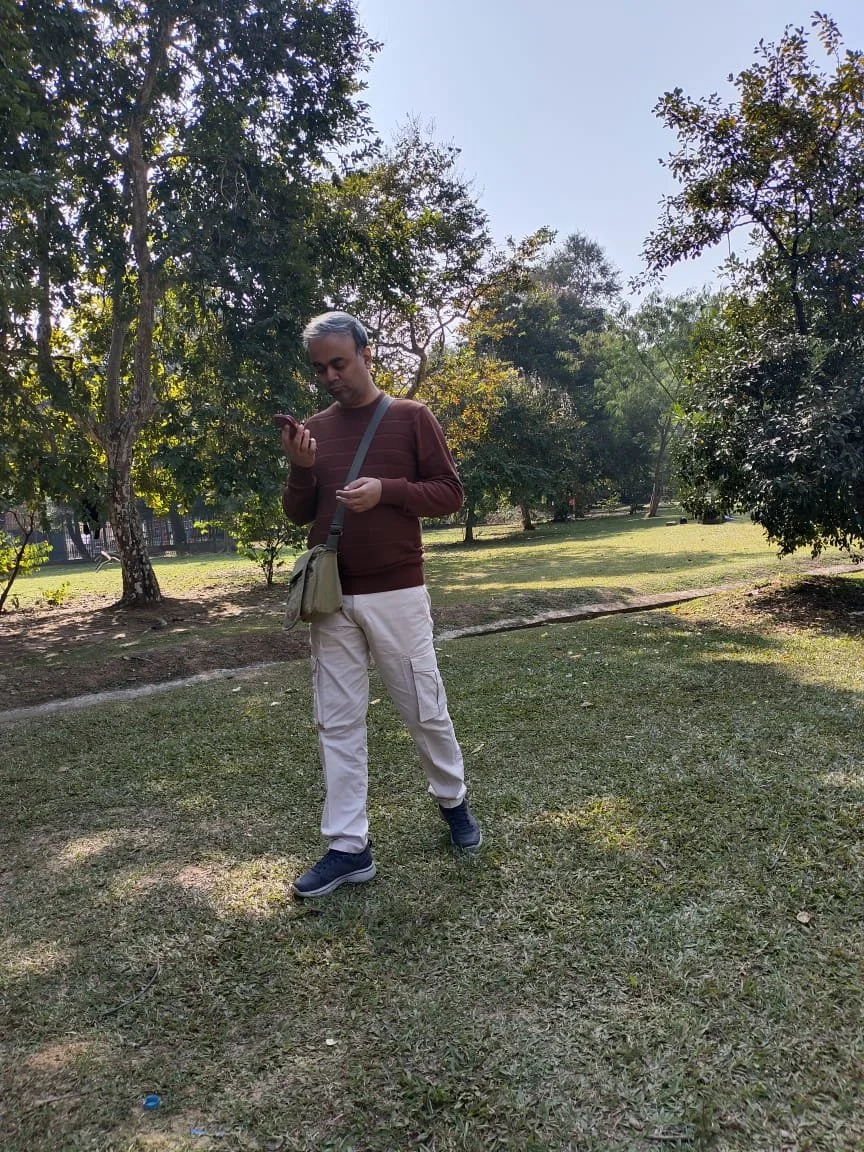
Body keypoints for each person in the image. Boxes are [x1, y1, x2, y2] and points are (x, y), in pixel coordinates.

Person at [281, 311, 482, 898]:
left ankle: (454, 803)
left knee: (423, 706)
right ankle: (349, 848)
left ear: (367, 354)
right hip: (333, 596)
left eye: (339, 363)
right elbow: (300, 515)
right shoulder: (315, 430)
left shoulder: (411, 418)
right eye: (320, 368)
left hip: (397, 589)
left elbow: (449, 493)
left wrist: (386, 492)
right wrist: (301, 470)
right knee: (337, 721)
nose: (330, 376)